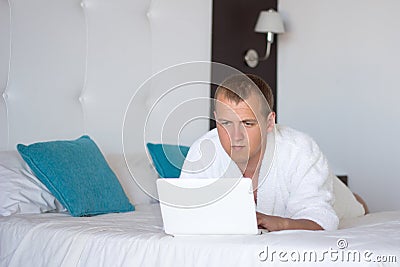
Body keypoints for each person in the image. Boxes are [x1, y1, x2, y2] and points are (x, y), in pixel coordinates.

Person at [179, 74, 339, 231]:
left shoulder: (300, 151)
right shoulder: (203, 151)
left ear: (269, 122)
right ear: (216, 119)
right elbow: (184, 212)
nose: (236, 137)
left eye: (247, 123)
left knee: (354, 206)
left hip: (319, 185)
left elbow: (322, 217)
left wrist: (281, 224)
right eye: (226, 123)